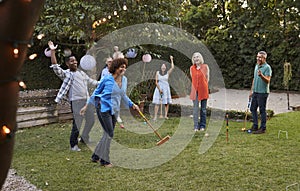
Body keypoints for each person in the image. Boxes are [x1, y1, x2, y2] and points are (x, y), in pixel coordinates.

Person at [80, 58, 139, 167]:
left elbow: (123, 95)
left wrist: (132, 104)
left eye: (125, 67)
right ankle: (104, 160)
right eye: (121, 67)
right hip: (103, 108)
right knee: (109, 133)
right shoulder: (106, 79)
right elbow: (95, 93)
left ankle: (95, 156)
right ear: (115, 68)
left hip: (114, 109)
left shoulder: (124, 80)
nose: (123, 69)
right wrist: (86, 106)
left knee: (107, 134)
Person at [48, 41, 99, 151]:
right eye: (72, 61)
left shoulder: (81, 73)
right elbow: (55, 67)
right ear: (67, 64)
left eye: (75, 60)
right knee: (78, 123)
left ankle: (84, 138)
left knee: (91, 120)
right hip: (76, 102)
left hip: (86, 101)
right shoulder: (67, 74)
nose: (75, 62)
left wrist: (105, 82)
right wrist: (52, 51)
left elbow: (92, 82)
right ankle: (73, 144)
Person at [249, 51, 272, 134]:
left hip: (263, 92)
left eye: (260, 57)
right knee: (252, 108)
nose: (258, 58)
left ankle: (263, 128)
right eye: (257, 57)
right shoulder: (256, 66)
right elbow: (254, 78)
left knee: (262, 110)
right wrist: (251, 90)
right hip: (255, 91)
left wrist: (261, 75)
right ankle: (255, 126)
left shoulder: (267, 68)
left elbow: (268, 80)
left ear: (264, 58)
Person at [190, 52, 209, 132]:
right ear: (193, 59)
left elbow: (207, 78)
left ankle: (202, 126)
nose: (196, 58)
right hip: (195, 91)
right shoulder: (191, 68)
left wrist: (203, 85)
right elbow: (192, 78)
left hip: (203, 90)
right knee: (195, 109)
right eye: (194, 57)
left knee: (203, 109)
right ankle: (196, 126)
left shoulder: (205, 67)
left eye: (197, 57)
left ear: (200, 58)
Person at [152, 55, 174, 120]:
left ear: (166, 67)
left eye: (164, 66)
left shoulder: (167, 73)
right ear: (160, 67)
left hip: (166, 88)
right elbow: (156, 82)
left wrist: (171, 59)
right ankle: (155, 116)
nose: (163, 67)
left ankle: (165, 115)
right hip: (159, 88)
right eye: (162, 66)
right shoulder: (157, 73)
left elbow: (172, 67)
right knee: (157, 103)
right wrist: (159, 89)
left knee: (166, 103)